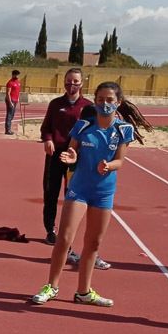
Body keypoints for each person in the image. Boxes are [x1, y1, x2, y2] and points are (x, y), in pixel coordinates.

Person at [32, 81, 150, 307]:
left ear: (118, 102)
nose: (104, 104)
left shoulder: (123, 130)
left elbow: (120, 161)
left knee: (93, 243)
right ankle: (51, 286)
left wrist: (109, 166)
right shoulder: (84, 125)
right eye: (100, 100)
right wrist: (72, 157)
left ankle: (83, 292)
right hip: (79, 189)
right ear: (94, 101)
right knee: (64, 238)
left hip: (104, 192)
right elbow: (72, 149)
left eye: (109, 100)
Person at [39, 68, 111, 269]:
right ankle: (50, 230)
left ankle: (73, 239)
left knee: (72, 196)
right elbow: (46, 127)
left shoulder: (88, 107)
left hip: (77, 158)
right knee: (50, 192)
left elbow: (96, 130)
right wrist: (48, 139)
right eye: (69, 81)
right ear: (64, 82)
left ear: (82, 83)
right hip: (56, 154)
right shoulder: (55, 104)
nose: (72, 85)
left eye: (76, 81)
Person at [4, 69, 21, 134]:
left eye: (18, 75)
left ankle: (8, 128)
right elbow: (8, 93)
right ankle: (7, 130)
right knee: (9, 114)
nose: (17, 76)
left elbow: (18, 91)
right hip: (10, 100)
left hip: (15, 100)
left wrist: (18, 98)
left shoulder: (18, 82)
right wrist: (10, 102)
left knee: (12, 115)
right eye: (16, 75)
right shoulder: (10, 83)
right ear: (13, 75)